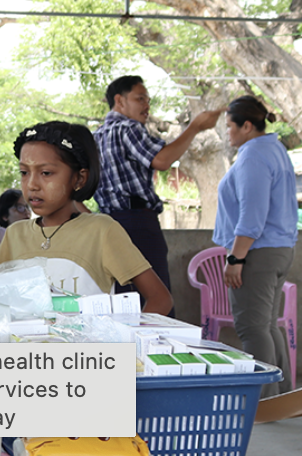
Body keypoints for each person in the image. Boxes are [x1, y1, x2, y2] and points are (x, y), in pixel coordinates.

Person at [0, 121, 173, 315]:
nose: (32, 185)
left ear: (79, 178)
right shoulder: (15, 234)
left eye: (46, 173)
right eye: (24, 173)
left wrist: (130, 333)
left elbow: (160, 299)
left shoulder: (101, 231)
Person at [94, 75, 223, 313]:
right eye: (140, 99)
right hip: (137, 223)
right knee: (157, 298)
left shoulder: (97, 135)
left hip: (107, 223)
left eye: (148, 100)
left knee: (124, 299)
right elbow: (162, 160)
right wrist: (194, 127)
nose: (146, 106)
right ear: (119, 101)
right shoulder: (128, 128)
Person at [214, 95, 299, 397]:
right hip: (279, 248)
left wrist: (235, 259)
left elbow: (252, 215)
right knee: (266, 326)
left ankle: (262, 403)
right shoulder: (275, 148)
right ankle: (283, 397)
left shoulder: (252, 155)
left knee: (252, 328)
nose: (227, 133)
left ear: (247, 126)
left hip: (257, 252)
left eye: (230, 126)